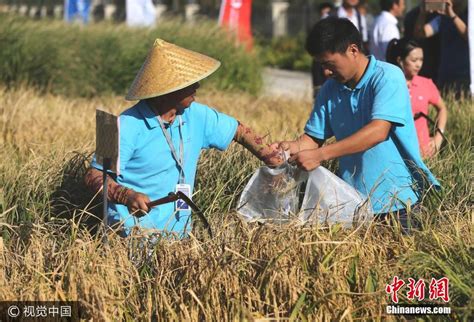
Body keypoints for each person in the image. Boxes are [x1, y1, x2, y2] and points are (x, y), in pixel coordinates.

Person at [85, 39, 284, 237]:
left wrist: (271, 157)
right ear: (166, 90)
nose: (197, 85)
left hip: (179, 236)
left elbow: (238, 130)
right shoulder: (117, 125)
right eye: (188, 82)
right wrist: (126, 196)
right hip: (132, 235)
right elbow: (92, 175)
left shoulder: (197, 114)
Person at [278, 18, 440, 233]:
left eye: (329, 64)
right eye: (322, 66)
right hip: (354, 203)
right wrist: (286, 149)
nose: (326, 72)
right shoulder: (330, 89)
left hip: (399, 203)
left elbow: (378, 131)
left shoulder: (387, 77)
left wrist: (320, 155)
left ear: (353, 50)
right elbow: (311, 139)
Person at [386, 38, 448, 158]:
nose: (419, 64)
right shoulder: (389, 84)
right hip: (396, 154)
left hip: (424, 153)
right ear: (400, 61)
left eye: (421, 60)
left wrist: (438, 138)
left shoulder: (426, 84)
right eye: (414, 60)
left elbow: (442, 109)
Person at [413, 0, 469, 93]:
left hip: (465, 76)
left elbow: (469, 36)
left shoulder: (469, 15)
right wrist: (422, 14)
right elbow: (420, 34)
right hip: (445, 75)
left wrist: (452, 15)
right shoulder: (442, 18)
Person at [404, 2, 440, 82]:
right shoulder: (412, 16)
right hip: (419, 69)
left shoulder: (441, 15)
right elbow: (413, 40)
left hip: (439, 66)